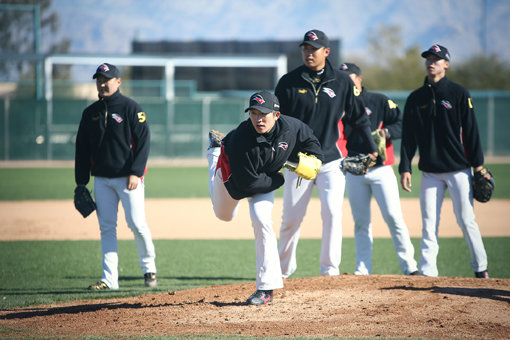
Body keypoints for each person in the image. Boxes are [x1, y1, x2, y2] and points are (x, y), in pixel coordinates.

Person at [275, 29, 377, 278]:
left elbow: (359, 118)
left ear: (326, 52)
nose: (308, 53)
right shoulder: (288, 82)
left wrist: (371, 149)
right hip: (298, 162)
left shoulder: (342, 81)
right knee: (291, 218)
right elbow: (276, 123)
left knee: (332, 214)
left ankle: (329, 271)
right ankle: (282, 271)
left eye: (314, 48)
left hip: (332, 160)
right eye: (305, 48)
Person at [207, 90, 324, 305]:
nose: (258, 118)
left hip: (264, 177)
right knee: (224, 215)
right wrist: (281, 177)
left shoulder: (290, 127)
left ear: (276, 115)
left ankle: (266, 288)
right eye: (253, 112)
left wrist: (316, 159)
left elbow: (310, 141)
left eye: (264, 113)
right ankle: (214, 153)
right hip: (232, 178)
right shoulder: (242, 139)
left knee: (262, 219)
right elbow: (248, 185)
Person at [399, 45, 491, 278]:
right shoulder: (415, 98)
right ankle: (428, 270)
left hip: (458, 169)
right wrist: (405, 166)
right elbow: (409, 135)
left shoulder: (459, 93)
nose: (432, 62)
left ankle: (480, 268)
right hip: (429, 171)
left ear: (446, 64)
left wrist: (478, 165)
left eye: (437, 59)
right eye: (429, 59)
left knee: (466, 219)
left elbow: (471, 131)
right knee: (429, 223)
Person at [75, 63, 158, 290]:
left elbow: (144, 141)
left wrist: (136, 172)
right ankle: (109, 280)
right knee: (107, 228)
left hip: (128, 179)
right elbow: (81, 148)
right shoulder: (90, 113)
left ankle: (149, 269)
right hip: (101, 179)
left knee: (137, 224)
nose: (102, 83)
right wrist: (81, 182)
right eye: (99, 80)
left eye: (107, 79)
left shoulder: (131, 108)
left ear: (118, 81)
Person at [340, 62, 418, 276]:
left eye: (349, 76)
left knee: (393, 217)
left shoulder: (379, 100)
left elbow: (403, 124)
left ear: (359, 79)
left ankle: (410, 266)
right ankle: (362, 269)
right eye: (341, 77)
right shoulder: (340, 104)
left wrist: (386, 132)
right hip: (355, 171)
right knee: (361, 222)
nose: (345, 80)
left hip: (381, 169)